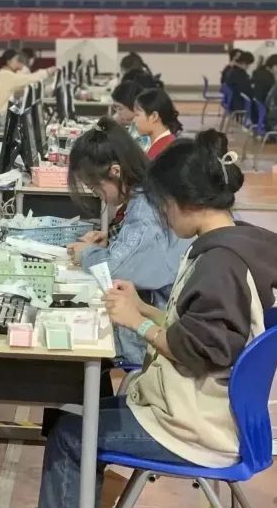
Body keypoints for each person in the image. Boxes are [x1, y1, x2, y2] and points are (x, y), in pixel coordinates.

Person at [23, 129, 277, 508]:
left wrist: (139, 324)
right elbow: (199, 328)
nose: (163, 218)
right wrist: (145, 309)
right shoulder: (228, 246)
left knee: (71, 432)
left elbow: (202, 349)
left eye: (164, 206)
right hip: (202, 410)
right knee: (78, 412)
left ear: (182, 203)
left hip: (196, 425)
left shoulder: (219, 264)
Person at [64, 117, 188, 365]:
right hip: (166, 314)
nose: (98, 196)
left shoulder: (145, 211)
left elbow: (113, 269)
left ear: (115, 171)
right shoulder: (149, 190)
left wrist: (86, 253)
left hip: (159, 330)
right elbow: (140, 248)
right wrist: (113, 237)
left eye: (95, 187)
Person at [0, 48, 55, 116]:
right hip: (2, 115)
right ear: (9, 62)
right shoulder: (6, 75)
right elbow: (28, 79)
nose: (19, 62)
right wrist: (47, 72)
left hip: (4, 113)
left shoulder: (5, 74)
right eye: (17, 60)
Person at [133, 88, 183, 160]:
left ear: (154, 116)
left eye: (137, 115)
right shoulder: (164, 144)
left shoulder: (163, 151)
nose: (134, 120)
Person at [110, 80, 149, 152]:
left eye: (120, 108)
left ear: (133, 106)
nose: (118, 113)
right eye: (116, 107)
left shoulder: (144, 131)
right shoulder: (134, 123)